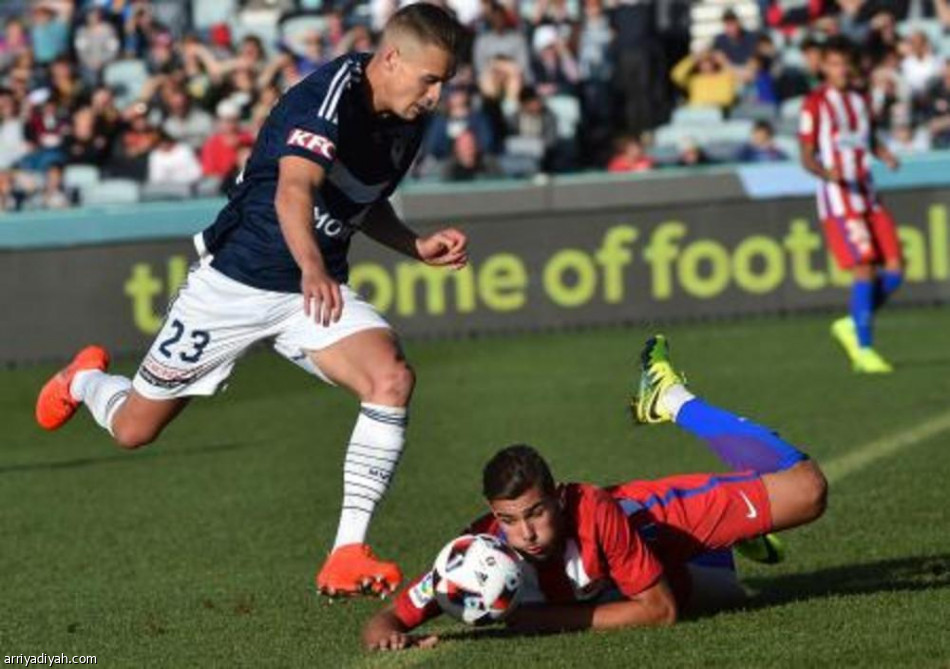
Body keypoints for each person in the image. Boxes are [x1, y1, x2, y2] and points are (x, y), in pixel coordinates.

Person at [35, 5, 468, 599]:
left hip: (308, 297)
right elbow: (295, 189)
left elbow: (360, 202)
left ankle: (346, 551)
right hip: (235, 284)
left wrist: (415, 245)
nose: (437, 95)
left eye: (445, 82)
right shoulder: (325, 99)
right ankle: (85, 380)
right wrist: (313, 266)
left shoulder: (407, 117)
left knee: (391, 379)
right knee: (134, 429)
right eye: (430, 79)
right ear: (391, 58)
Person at [362, 336, 828, 650]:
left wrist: (541, 621)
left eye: (536, 512)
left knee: (808, 491)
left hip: (660, 521)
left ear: (559, 498)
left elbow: (659, 613)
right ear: (492, 517)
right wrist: (389, 635)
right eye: (509, 520)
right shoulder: (474, 554)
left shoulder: (594, 509)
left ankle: (671, 399)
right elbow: (385, 621)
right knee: (730, 596)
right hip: (653, 571)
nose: (526, 533)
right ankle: (730, 540)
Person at [798, 37, 902, 374]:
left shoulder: (860, 100)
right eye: (834, 63)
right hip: (840, 201)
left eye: (845, 62)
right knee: (864, 268)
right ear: (824, 67)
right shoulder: (814, 104)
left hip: (868, 195)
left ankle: (851, 324)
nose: (841, 69)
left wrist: (883, 153)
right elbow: (806, 156)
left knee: (896, 271)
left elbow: (868, 138)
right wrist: (829, 172)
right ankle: (864, 349)